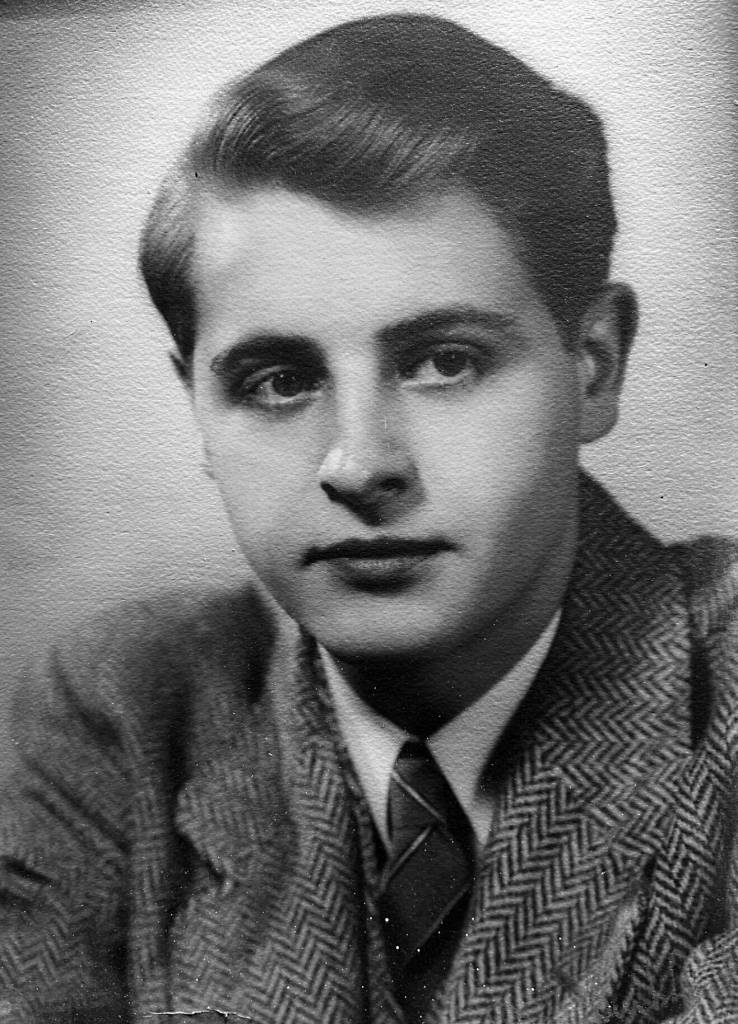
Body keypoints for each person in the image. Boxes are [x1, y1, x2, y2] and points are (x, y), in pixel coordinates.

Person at [1, 12, 735, 1024]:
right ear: (197, 411)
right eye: (275, 380)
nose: (360, 465)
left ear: (595, 363)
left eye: (446, 361)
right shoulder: (123, 714)